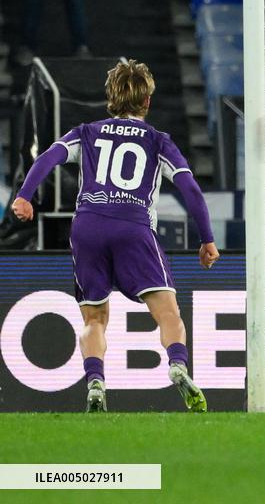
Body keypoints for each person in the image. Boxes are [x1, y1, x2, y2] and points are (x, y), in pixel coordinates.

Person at [11, 60, 220, 413]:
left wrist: (24, 195)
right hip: (133, 226)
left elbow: (48, 157)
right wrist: (207, 239)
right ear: (147, 102)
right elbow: (192, 190)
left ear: (110, 98)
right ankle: (178, 366)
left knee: (94, 319)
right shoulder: (158, 141)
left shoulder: (87, 132)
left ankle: (95, 382)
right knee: (168, 314)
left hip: (88, 226)